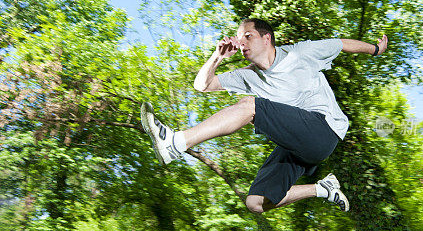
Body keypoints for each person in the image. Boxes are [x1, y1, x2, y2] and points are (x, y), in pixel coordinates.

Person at [141, 18, 388, 214]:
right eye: (239, 40)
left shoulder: (300, 53)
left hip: (324, 130)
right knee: (255, 203)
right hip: (296, 145)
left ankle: (176, 143)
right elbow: (202, 86)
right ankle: (322, 189)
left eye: (248, 36)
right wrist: (217, 57)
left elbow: (341, 44)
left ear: (266, 38)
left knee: (251, 106)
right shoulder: (247, 76)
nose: (242, 43)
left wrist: (376, 49)